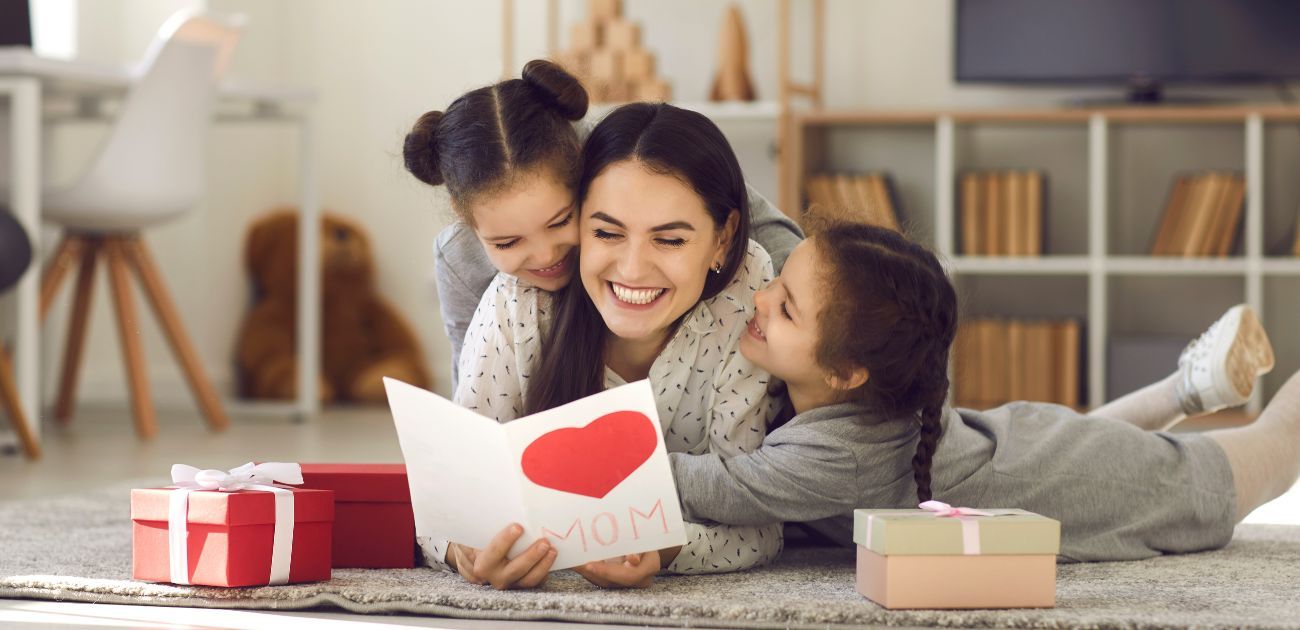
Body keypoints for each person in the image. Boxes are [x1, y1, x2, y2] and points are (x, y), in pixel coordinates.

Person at [667, 214, 1295, 563]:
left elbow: (712, 488)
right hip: (1023, 442)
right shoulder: (859, 360)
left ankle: (1191, 388)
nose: (759, 295)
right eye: (776, 287)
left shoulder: (845, 456)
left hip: (1071, 479)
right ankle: (1189, 386)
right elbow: (768, 223)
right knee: (1097, 441)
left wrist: (575, 452)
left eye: (785, 308)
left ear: (844, 373)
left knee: (1273, 450)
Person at [440, 102, 786, 588]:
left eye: (669, 240)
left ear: (723, 239)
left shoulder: (748, 290)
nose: (631, 269)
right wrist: (464, 551)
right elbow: (446, 495)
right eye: (606, 232)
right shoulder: (522, 294)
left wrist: (665, 548)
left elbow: (757, 524)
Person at [402, 60, 802, 391]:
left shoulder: (618, 160)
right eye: (507, 242)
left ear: (579, 170)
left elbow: (740, 212)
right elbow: (472, 379)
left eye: (561, 221)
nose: (545, 255)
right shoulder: (463, 260)